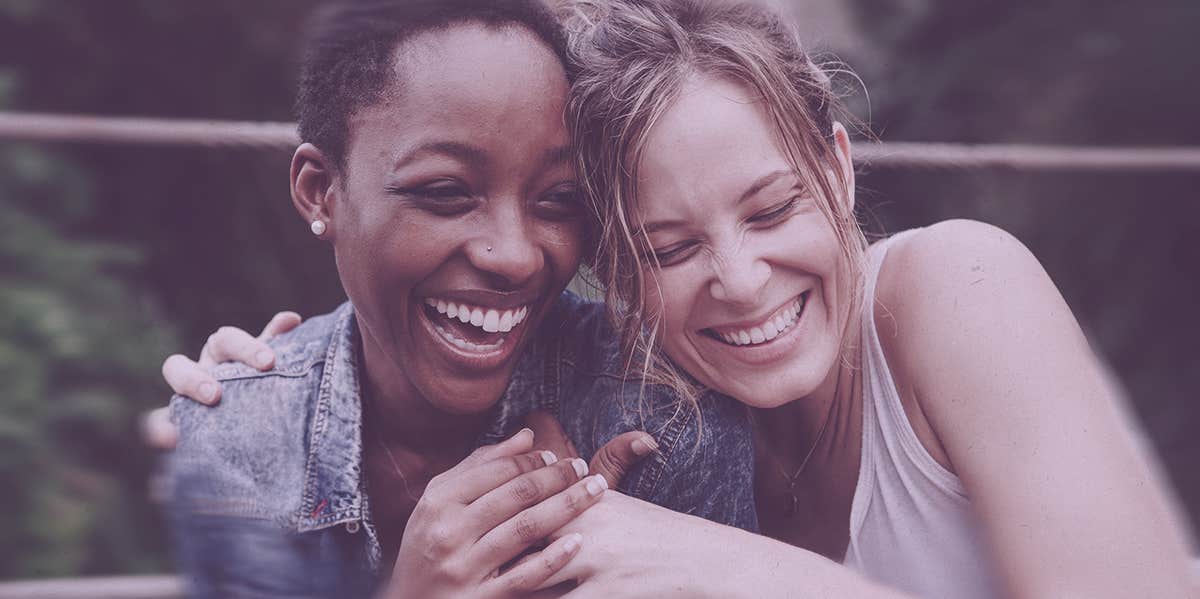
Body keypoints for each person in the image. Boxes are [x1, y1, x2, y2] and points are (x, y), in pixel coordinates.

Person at [167, 0, 1197, 598]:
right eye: (668, 247)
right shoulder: (655, 420)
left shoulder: (956, 288)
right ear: (609, 270)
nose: (742, 280)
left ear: (837, 170)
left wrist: (722, 564)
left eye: (773, 206)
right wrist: (278, 392)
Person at [163, 1, 757, 597]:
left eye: (558, 200)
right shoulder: (237, 440)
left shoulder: (665, 422)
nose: (516, 255)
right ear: (321, 192)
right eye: (445, 193)